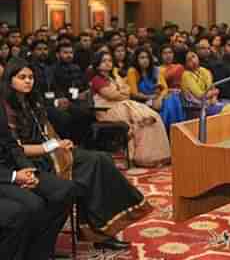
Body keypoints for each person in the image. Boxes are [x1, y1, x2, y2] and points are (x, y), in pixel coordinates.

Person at [2, 58, 152, 251]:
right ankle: (100, 232)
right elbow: (15, 148)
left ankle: (104, 231)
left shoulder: (32, 100)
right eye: (22, 77)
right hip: (31, 160)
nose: (28, 81)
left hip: (51, 153)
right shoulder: (6, 107)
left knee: (102, 160)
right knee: (92, 167)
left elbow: (46, 131)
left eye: (30, 77)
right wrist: (51, 147)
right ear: (10, 80)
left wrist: (60, 143)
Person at [0, 101, 74, 260]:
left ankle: (39, 253)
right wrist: (13, 177)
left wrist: (28, 170)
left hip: (13, 167)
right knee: (33, 204)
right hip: (4, 176)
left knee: (65, 190)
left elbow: (12, 145)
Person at [90, 51, 171, 167]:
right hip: (107, 110)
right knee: (139, 120)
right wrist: (122, 92)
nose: (108, 63)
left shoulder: (115, 77)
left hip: (122, 106)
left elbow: (127, 91)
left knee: (152, 117)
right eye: (104, 61)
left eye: (109, 60)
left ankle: (155, 157)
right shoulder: (97, 80)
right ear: (97, 65)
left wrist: (121, 93)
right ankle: (140, 158)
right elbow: (112, 95)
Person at [128, 47, 184, 134]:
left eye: (147, 57)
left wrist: (159, 99)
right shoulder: (132, 71)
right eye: (142, 58)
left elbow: (165, 88)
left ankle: (173, 131)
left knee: (173, 98)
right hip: (143, 101)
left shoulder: (155, 70)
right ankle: (169, 131)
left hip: (157, 99)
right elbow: (134, 94)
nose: (145, 60)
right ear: (136, 59)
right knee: (170, 102)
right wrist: (151, 97)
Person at [181, 51, 230, 116]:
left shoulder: (204, 70)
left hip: (211, 103)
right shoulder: (186, 75)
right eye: (189, 60)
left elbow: (212, 88)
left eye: (193, 57)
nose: (193, 61)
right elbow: (200, 95)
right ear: (185, 63)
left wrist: (213, 98)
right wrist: (213, 94)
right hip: (198, 108)